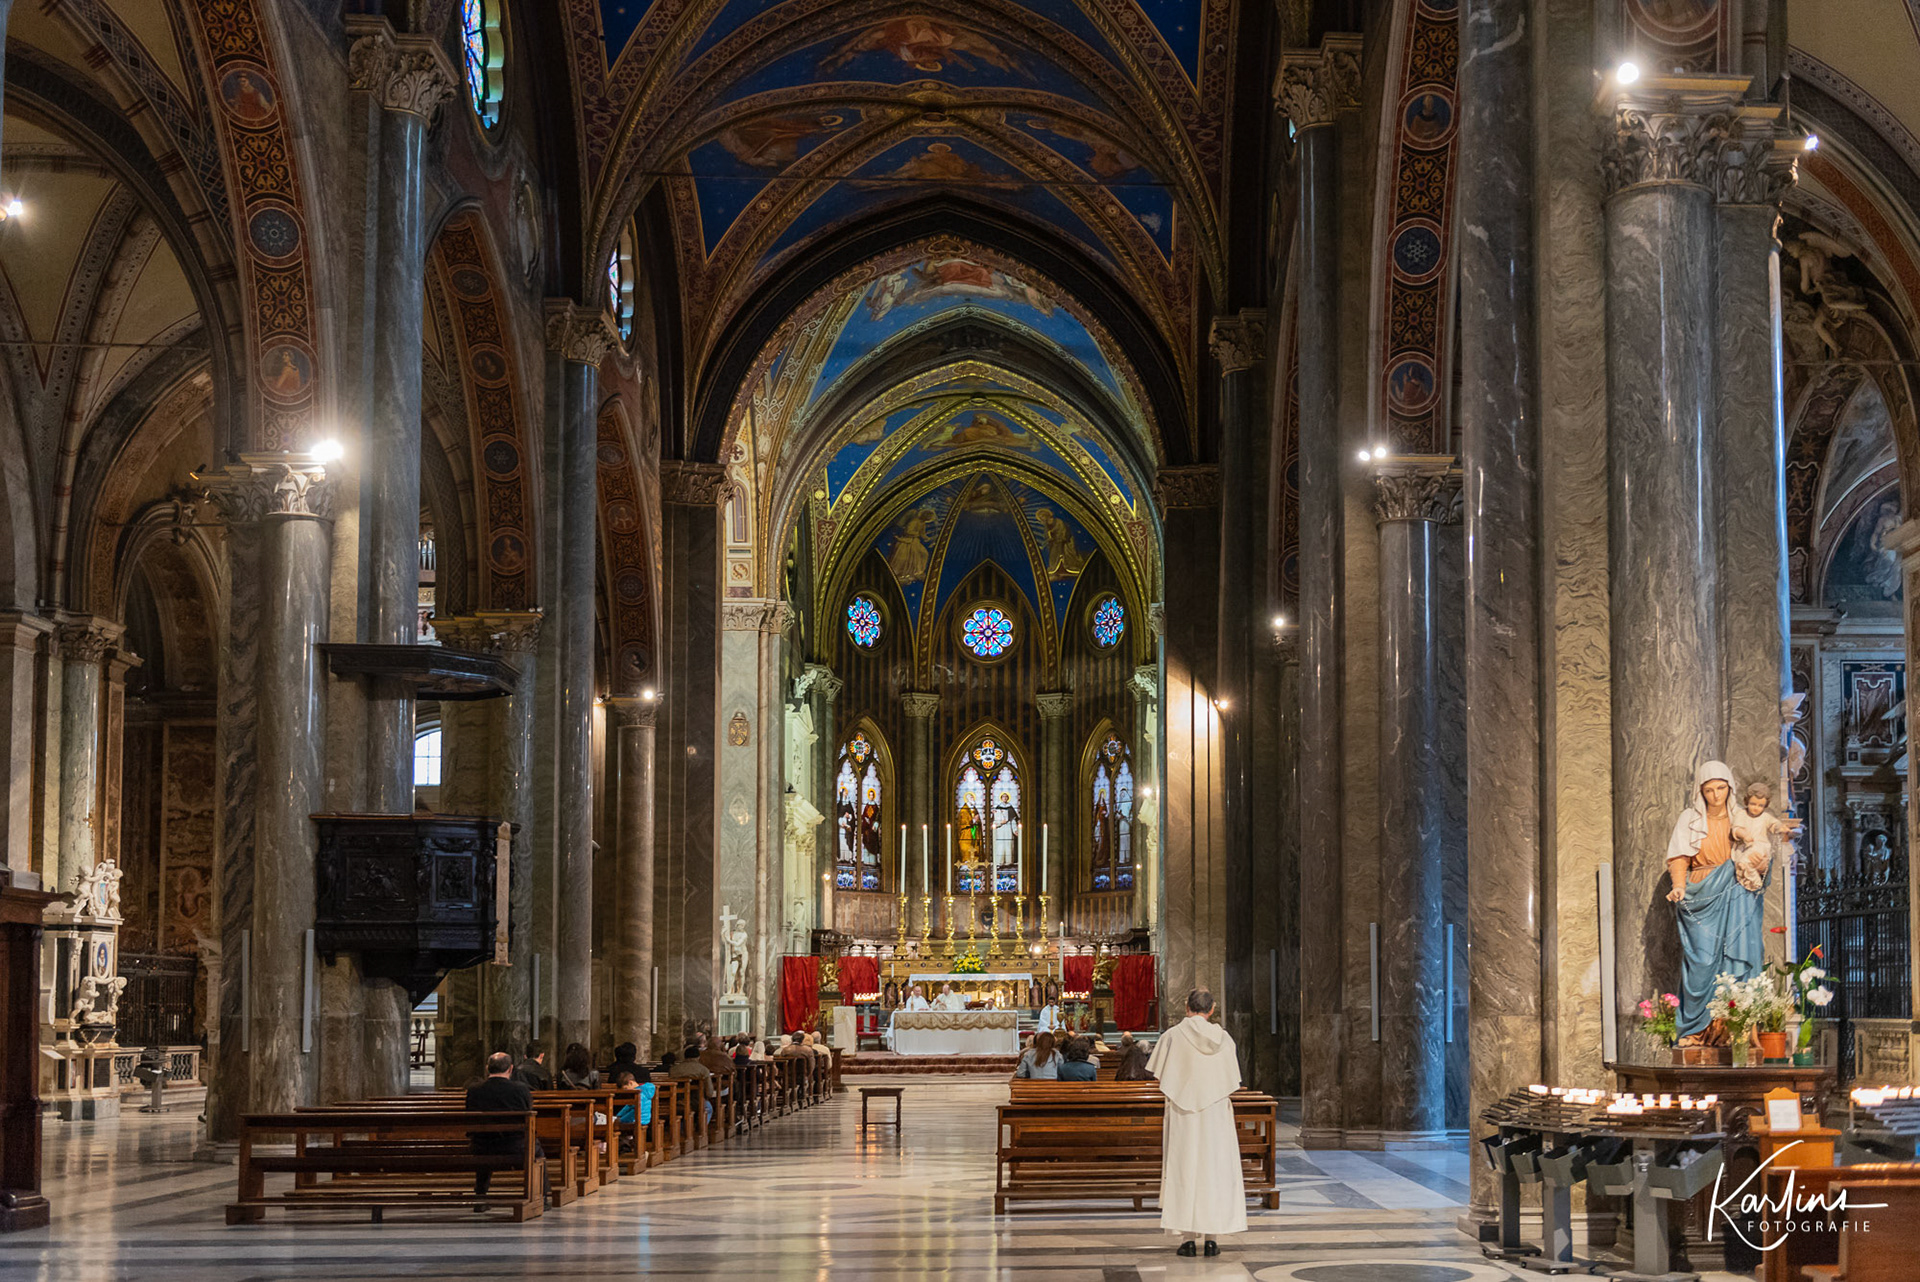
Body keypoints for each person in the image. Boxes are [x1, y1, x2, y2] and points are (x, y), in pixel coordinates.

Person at [1665, 761, 1771, 1046]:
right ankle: (1696, 1031)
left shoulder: (1742, 817)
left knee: (1738, 958)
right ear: (1700, 791)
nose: (1715, 795)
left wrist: (1761, 864)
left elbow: (1761, 853)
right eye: (1709, 789)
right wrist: (1679, 885)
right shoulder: (1689, 818)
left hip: (1738, 891)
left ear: (1730, 788)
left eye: (1721, 788)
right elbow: (1679, 857)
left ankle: (1735, 1032)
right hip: (1702, 891)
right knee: (1702, 962)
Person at [1147, 989, 1246, 1256]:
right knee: (1214, 1170)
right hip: (1215, 1116)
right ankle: (1212, 1239)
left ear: (1186, 1006)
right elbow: (1232, 1078)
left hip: (1184, 1114)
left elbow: (1160, 1077)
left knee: (1185, 1170)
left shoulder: (1172, 1036)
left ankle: (1188, 1240)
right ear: (1212, 1009)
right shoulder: (1224, 1039)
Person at [466, 1051, 538, 1197]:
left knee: (483, 1142)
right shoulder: (520, 1089)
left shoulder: (474, 1090)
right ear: (510, 1069)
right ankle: (542, 1197)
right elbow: (528, 1113)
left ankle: (481, 1193)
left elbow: (470, 1119)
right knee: (537, 1150)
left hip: (482, 1146)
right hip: (514, 1146)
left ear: (487, 1068)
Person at [669, 1042, 716, 1127]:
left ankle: (681, 1128)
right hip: (697, 1100)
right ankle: (701, 1128)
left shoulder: (674, 1070)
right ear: (698, 1057)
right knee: (708, 1108)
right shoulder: (703, 1070)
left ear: (685, 1057)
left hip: (676, 1100)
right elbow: (709, 1092)